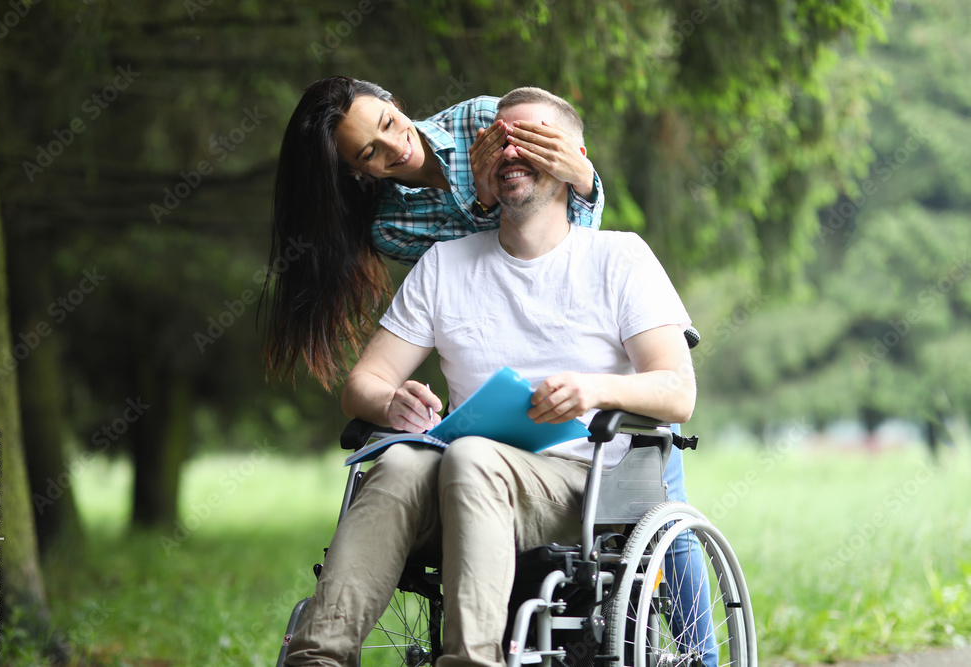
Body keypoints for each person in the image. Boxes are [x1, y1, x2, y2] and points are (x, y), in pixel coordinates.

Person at [284, 87, 718, 667]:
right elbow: (360, 385)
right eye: (501, 141)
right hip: (464, 479)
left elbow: (678, 390)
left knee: (472, 457)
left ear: (571, 157)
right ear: (479, 159)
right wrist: (391, 403)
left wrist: (596, 388)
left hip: (580, 483)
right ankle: (318, 658)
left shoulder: (621, 259)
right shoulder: (442, 263)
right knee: (397, 461)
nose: (513, 150)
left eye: (532, 140)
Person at [262, 76, 604, 391]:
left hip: (573, 308)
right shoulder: (391, 227)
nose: (395, 146)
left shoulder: (483, 119)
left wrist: (584, 179)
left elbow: (563, 234)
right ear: (354, 171)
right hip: (502, 347)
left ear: (394, 104)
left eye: (388, 123)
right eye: (370, 152)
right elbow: (474, 285)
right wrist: (482, 202)